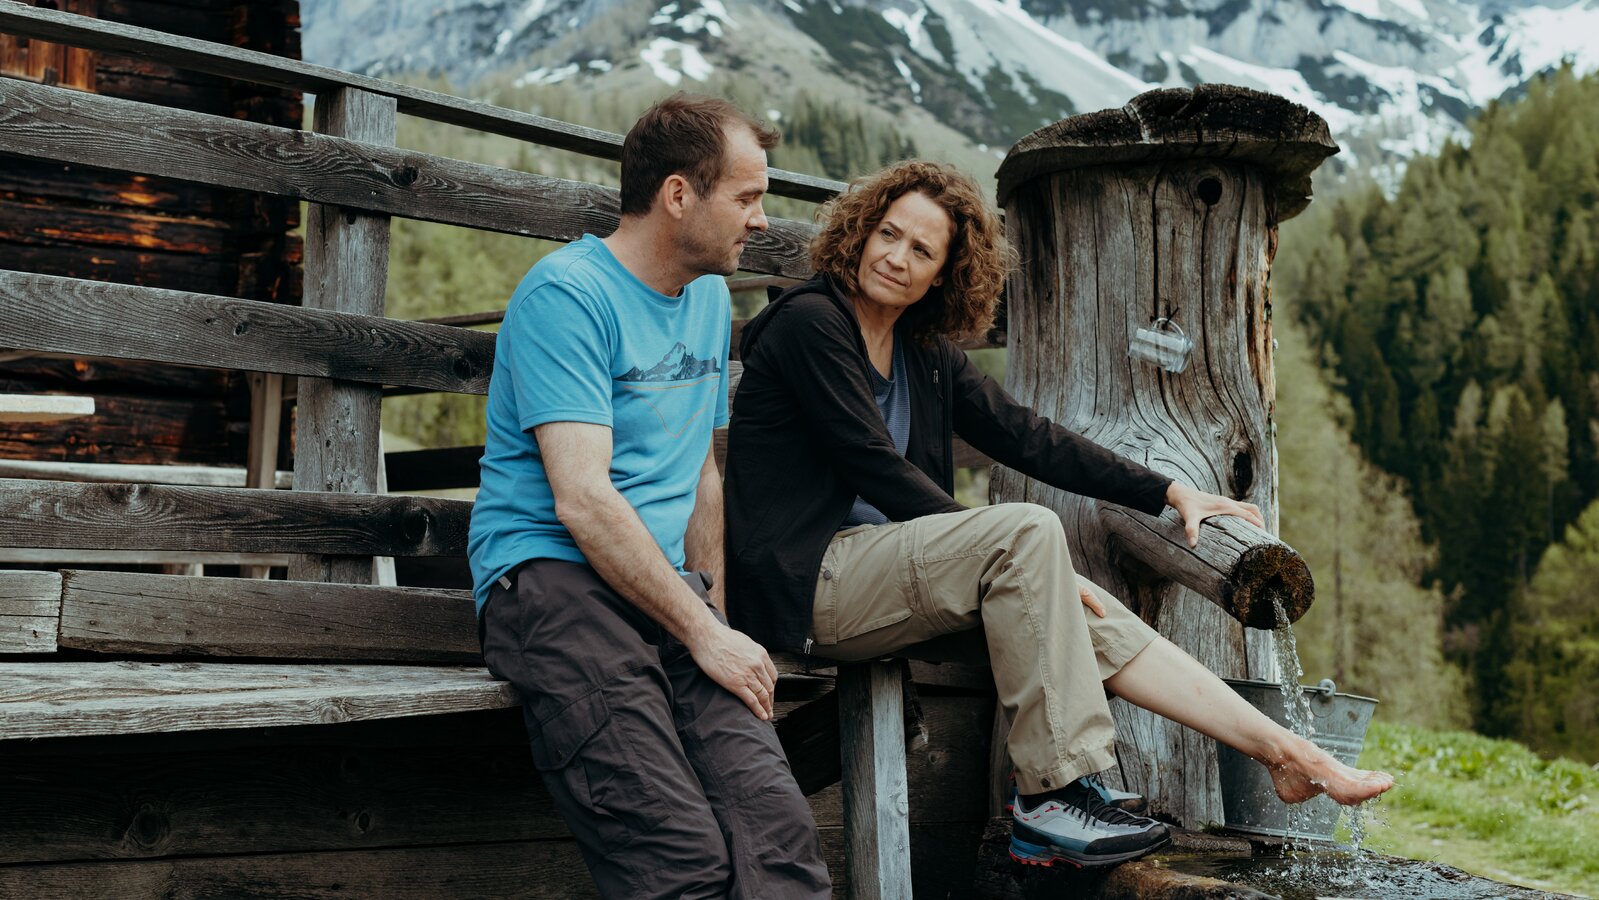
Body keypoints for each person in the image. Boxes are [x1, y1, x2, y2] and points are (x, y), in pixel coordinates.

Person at [724, 160, 1394, 869]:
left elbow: (1028, 437)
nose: (895, 257)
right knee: (1028, 535)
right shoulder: (811, 323)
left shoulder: (923, 351)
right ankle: (1053, 796)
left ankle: (1286, 753)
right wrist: (1011, 553)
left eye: (921, 250)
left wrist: (1168, 491)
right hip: (811, 584)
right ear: (860, 233)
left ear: (944, 274)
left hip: (888, 580)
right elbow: (871, 463)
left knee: (1097, 617)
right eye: (887, 234)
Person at [469, 94, 831, 899]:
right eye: (746, 197)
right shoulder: (567, 294)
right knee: (677, 860)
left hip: (664, 592)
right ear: (677, 195)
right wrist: (702, 630)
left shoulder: (707, 298)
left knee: (780, 840)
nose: (760, 219)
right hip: (552, 584)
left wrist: (717, 623)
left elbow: (700, 473)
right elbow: (582, 499)